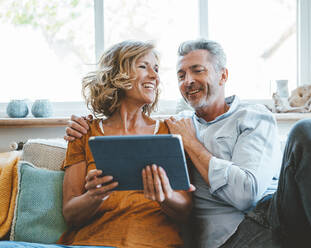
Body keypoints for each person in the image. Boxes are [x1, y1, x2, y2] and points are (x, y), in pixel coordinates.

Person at [66, 39, 311, 248]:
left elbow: (248, 195)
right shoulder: (175, 125)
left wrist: (191, 145)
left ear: (223, 75)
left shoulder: (248, 118)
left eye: (197, 70)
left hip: (277, 214)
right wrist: (83, 129)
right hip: (232, 238)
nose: (187, 81)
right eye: (181, 75)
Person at [0, 40, 194, 248]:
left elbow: (186, 212)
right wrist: (94, 196)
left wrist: (165, 196)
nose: (155, 77)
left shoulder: (169, 132)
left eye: (156, 69)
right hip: (91, 242)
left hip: (152, 242)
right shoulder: (84, 133)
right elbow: (71, 214)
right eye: (143, 66)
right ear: (117, 75)